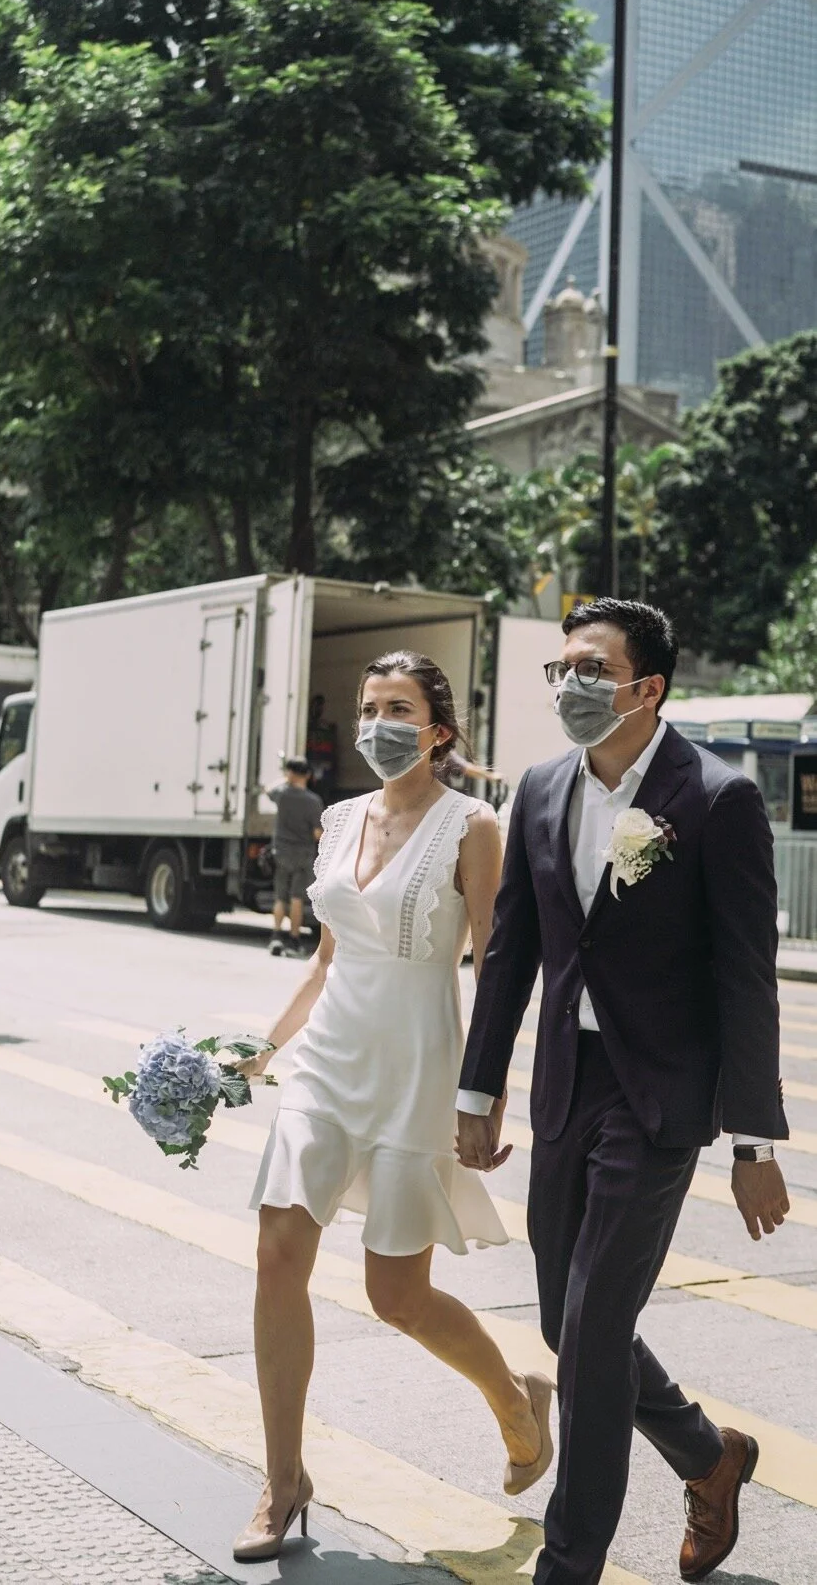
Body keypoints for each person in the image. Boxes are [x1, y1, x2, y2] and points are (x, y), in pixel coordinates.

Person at [456, 599, 791, 1585]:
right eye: (559, 669)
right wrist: (478, 1090)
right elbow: (511, 948)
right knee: (569, 1324)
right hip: (567, 1085)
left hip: (655, 1101)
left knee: (591, 1334)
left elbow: (743, 977)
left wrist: (753, 1144)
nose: (568, 685)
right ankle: (706, 1453)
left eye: (589, 669)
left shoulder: (716, 799)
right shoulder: (543, 787)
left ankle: (570, 1566)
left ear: (646, 687)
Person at [232, 651, 553, 1562]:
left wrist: (485, 1095)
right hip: (327, 1065)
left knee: (396, 1295)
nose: (379, 723)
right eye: (370, 707)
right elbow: (326, 959)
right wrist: (264, 1045)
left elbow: (494, 964)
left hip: (417, 1067)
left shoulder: (472, 826)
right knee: (274, 1255)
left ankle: (515, 1396)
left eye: (399, 708)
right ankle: (284, 1479)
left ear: (438, 731)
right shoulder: (337, 820)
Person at [267, 759, 324, 957]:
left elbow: (268, 789)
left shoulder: (281, 795)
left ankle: (276, 936)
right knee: (297, 898)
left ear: (290, 773)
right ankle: (294, 939)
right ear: (308, 775)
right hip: (303, 854)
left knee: (280, 897)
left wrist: (286, 778)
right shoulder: (313, 801)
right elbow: (318, 834)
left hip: (281, 852)